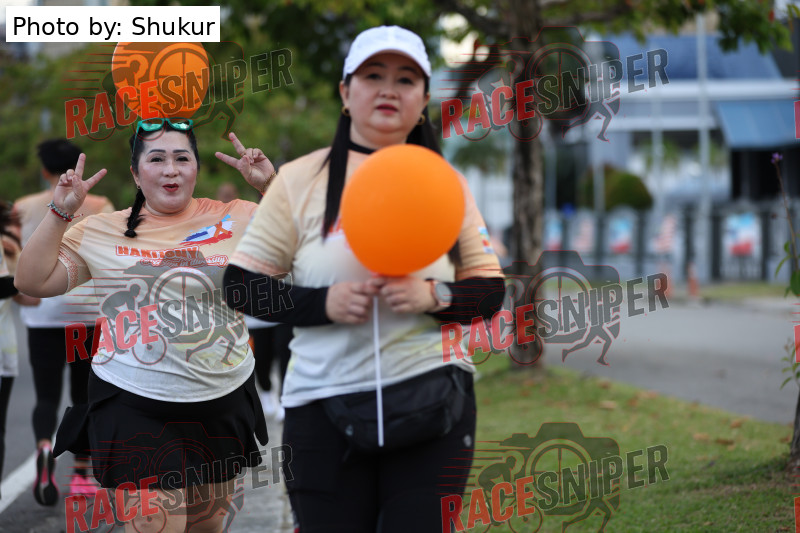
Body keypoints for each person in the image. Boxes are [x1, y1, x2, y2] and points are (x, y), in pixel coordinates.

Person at [224, 26, 505, 531]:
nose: (388, 89)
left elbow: (489, 292)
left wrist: (433, 295)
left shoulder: (447, 183)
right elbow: (241, 286)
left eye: (405, 79)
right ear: (345, 92)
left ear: (423, 100)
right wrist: (323, 304)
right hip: (321, 408)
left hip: (433, 401)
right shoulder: (298, 180)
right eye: (373, 76)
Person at [15, 119, 275, 531]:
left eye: (182, 158)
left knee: (205, 527)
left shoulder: (238, 216)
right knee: (157, 525)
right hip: (133, 400)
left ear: (196, 168)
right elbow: (32, 281)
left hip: (221, 398)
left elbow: (308, 252)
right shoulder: (101, 229)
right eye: (156, 159)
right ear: (136, 173)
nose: (171, 169)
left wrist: (270, 186)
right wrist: (60, 213)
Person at [14, 139, 115, 504]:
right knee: (82, 396)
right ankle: (81, 476)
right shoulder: (101, 206)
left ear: (44, 170)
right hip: (85, 318)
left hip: (42, 315)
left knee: (46, 396)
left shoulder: (23, 208)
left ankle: (44, 445)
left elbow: (13, 259)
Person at [216, 182, 292, 420]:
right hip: (254, 307)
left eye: (231, 194)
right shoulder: (220, 227)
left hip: (282, 300)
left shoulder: (256, 218)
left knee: (285, 353)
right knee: (263, 357)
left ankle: (284, 399)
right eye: (223, 194)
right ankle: (267, 393)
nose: (227, 197)